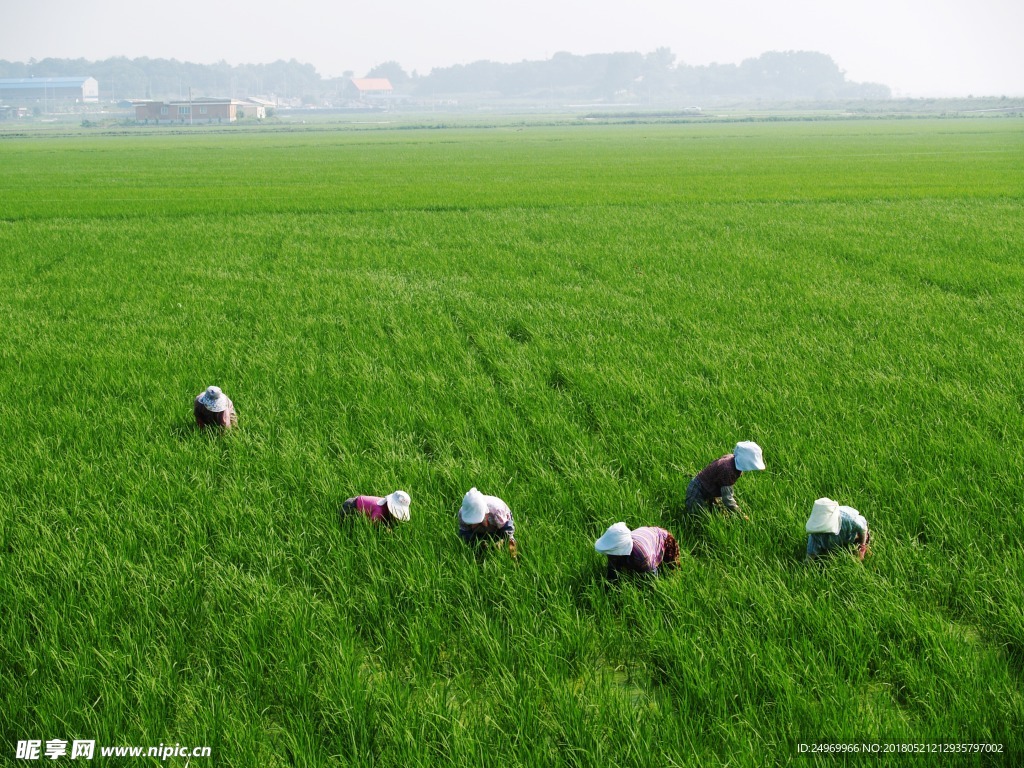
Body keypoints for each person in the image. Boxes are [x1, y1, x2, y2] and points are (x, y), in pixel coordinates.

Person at [685, 441, 765, 518]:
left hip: (712, 491)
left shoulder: (732, 459)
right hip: (697, 491)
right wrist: (741, 514)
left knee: (718, 514)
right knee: (698, 517)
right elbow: (727, 499)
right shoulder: (727, 470)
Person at [594, 522, 680, 581]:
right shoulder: (613, 551)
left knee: (669, 567)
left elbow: (652, 580)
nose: (610, 555)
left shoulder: (641, 557)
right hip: (644, 535)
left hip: (663, 538)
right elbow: (612, 573)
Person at [805, 497, 870, 561]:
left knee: (859, 553)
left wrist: (862, 547)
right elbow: (810, 556)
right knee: (828, 556)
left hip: (851, 535)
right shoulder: (815, 534)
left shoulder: (849, 520)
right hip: (833, 543)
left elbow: (863, 528)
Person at [458, 487, 517, 557]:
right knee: (474, 546)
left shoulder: (497, 510)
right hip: (486, 525)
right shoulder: (463, 514)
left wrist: (502, 541)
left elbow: (507, 529)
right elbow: (465, 533)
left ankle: (514, 561)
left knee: (509, 542)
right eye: (471, 523)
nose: (473, 525)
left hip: (500, 524)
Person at [342, 490, 411, 526]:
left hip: (357, 500)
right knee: (346, 524)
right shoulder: (379, 511)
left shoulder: (384, 503)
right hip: (350, 506)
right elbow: (372, 525)